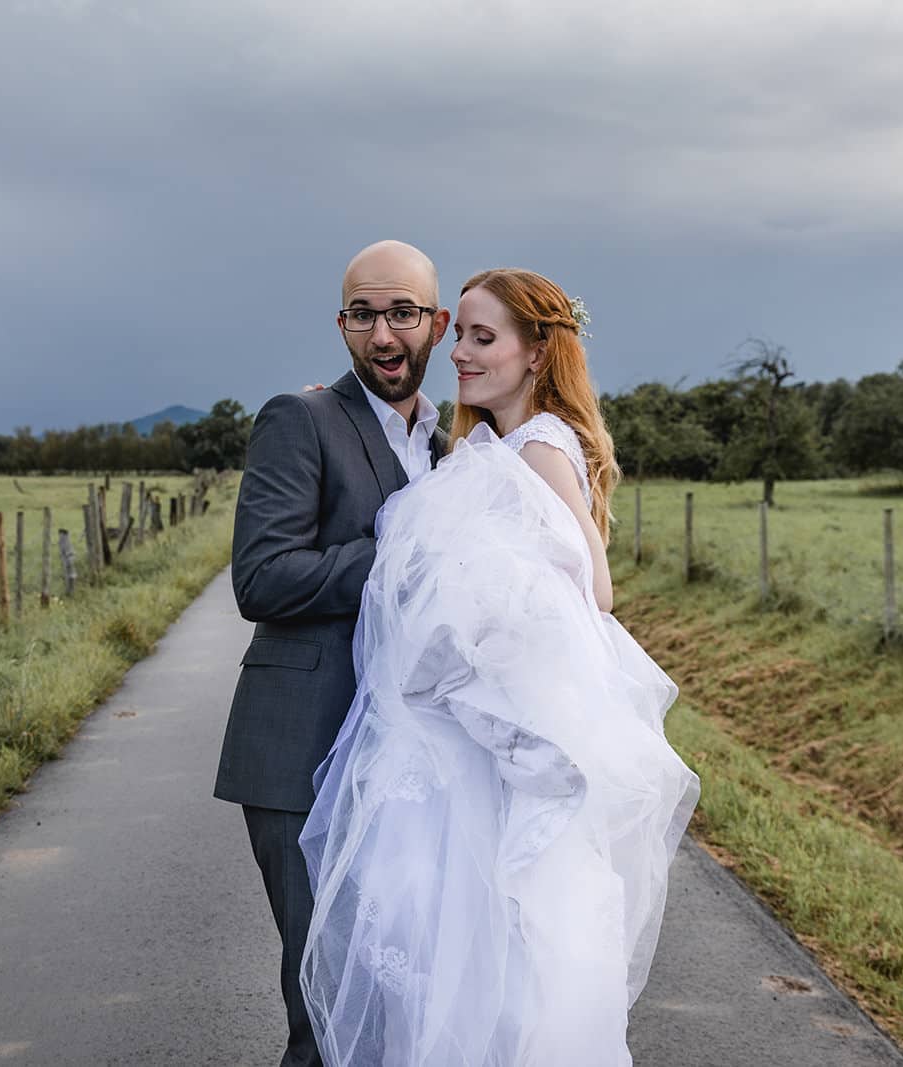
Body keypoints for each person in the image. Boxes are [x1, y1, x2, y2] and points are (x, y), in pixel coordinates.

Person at [298, 269, 700, 1065]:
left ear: (536, 353)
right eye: (460, 338)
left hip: (505, 719)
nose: (462, 355)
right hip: (458, 733)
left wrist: (477, 604)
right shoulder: (481, 448)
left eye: (484, 339)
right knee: (461, 948)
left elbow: (595, 588)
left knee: (509, 957)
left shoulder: (543, 447)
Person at [214, 240, 451, 1067]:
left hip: (406, 766)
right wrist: (402, 548)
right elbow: (263, 578)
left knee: (395, 1004)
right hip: (302, 755)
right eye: (363, 314)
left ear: (438, 323)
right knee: (327, 1010)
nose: (382, 334)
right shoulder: (301, 417)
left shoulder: (450, 445)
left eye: (401, 313)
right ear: (341, 323)